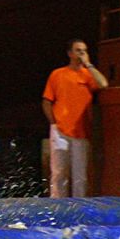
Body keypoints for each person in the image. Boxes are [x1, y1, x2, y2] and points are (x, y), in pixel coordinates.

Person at [42, 39, 108, 197]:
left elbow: (103, 84)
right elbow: (46, 101)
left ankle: (79, 208)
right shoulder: (58, 74)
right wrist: (53, 122)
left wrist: (89, 65)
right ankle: (58, 206)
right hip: (60, 129)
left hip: (81, 131)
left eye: (84, 50)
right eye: (78, 50)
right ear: (70, 53)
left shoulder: (88, 75)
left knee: (80, 176)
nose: (82, 54)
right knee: (59, 172)